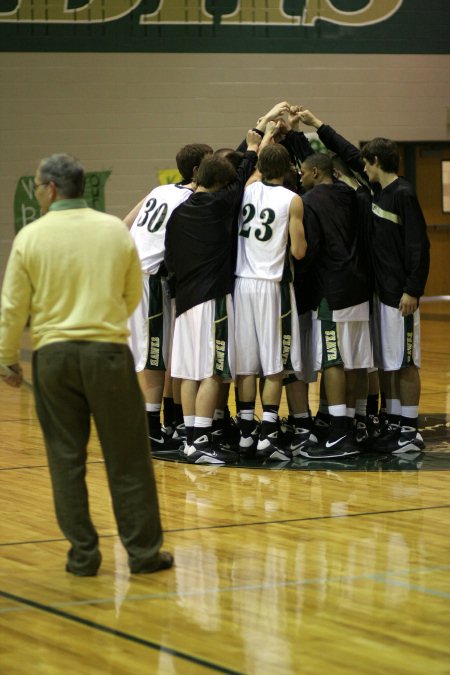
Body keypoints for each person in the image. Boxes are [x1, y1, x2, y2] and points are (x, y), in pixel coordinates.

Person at [0, 153, 173, 576]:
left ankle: (82, 556)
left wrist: (6, 360)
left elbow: (12, 307)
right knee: (128, 457)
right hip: (107, 353)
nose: (39, 194)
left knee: (66, 458)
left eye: (40, 187)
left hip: (54, 358)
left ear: (53, 189)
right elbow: (132, 295)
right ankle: (143, 553)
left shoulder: (31, 237)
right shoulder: (113, 230)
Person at [165, 130, 262, 465]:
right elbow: (240, 180)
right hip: (212, 300)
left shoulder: (178, 212)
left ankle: (192, 437)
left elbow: (170, 262)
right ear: (222, 183)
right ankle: (203, 440)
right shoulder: (220, 204)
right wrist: (252, 148)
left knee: (190, 372)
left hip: (184, 303)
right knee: (212, 372)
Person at [127, 143, 213, 452]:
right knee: (153, 356)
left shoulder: (158, 190)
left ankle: (161, 423)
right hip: (150, 279)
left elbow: (126, 224)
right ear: (197, 170)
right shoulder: (190, 199)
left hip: (136, 274)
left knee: (158, 354)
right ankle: (149, 429)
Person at [295, 152, 372, 459]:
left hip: (331, 288)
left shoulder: (309, 201)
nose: (300, 177)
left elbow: (309, 251)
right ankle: (350, 424)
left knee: (333, 360)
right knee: (354, 359)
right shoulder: (351, 193)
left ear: (315, 171)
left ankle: (339, 433)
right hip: (359, 285)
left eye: (303, 172)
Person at [234, 142, 307, 462]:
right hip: (272, 286)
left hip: (242, 283)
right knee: (275, 364)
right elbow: (299, 252)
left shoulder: (246, 189)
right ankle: (268, 435)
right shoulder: (293, 200)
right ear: (289, 168)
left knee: (247, 365)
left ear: (260, 166)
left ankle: (246, 433)